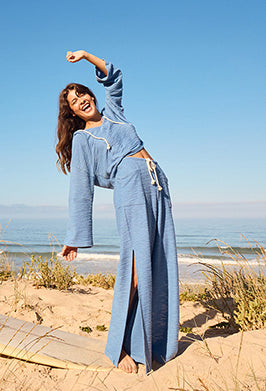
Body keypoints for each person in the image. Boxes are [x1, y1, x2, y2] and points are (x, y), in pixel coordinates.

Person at [56, 50, 179, 374]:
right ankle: (119, 347)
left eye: (81, 92)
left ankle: (148, 344)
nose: (80, 99)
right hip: (132, 191)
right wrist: (75, 238)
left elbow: (114, 75)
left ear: (91, 95)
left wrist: (85, 56)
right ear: (72, 113)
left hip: (156, 184)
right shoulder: (83, 139)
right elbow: (80, 189)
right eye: (73, 101)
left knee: (159, 261)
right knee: (137, 270)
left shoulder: (115, 114)